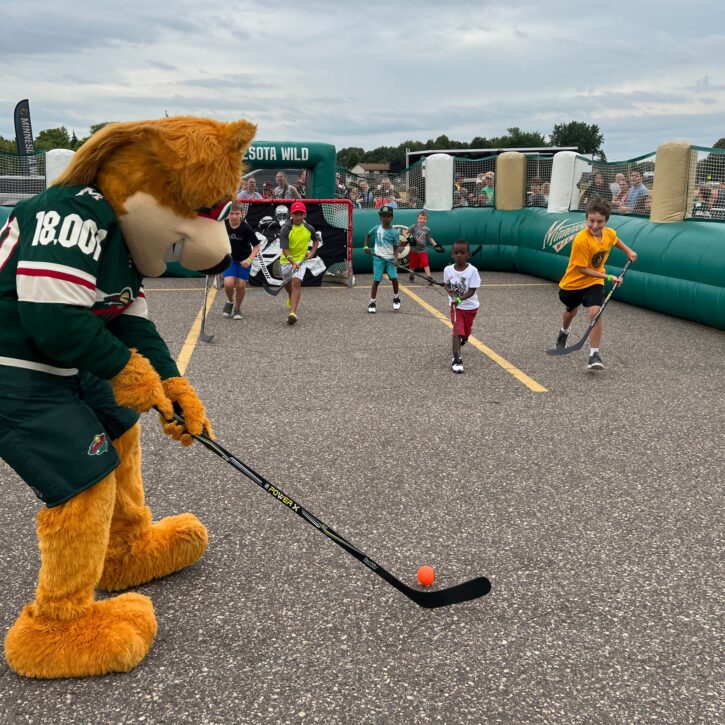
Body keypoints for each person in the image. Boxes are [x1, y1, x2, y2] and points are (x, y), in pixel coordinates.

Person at [555, 198, 638, 371]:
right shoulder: (581, 240)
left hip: (594, 281)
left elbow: (614, 240)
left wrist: (628, 251)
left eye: (599, 222)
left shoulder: (608, 233)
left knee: (595, 312)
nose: (594, 225)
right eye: (591, 221)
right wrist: (608, 277)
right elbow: (583, 269)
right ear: (586, 219)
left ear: (606, 221)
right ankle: (564, 331)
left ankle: (594, 354)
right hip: (573, 284)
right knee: (571, 312)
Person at [279, 200, 320, 325]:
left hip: (301, 261)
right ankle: (290, 297)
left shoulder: (309, 228)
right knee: (288, 285)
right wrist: (292, 262)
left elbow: (316, 240)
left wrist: (312, 252)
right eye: (296, 214)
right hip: (286, 260)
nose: (298, 216)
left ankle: (292, 313)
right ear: (291, 214)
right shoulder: (285, 229)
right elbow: (285, 249)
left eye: (300, 214)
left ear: (305, 215)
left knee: (296, 283)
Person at [443, 239, 481, 374]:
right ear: (452, 254)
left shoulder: (472, 271)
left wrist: (459, 298)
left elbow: (472, 291)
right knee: (456, 331)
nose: (459, 255)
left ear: (468, 254)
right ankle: (456, 359)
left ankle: (464, 338)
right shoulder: (448, 269)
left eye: (462, 252)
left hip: (470, 307)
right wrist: (449, 291)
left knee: (466, 331)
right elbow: (446, 284)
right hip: (456, 307)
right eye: (456, 253)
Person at [221, 202, 260, 320]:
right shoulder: (223, 226)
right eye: (231, 213)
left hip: (244, 260)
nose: (234, 216)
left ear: (241, 214)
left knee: (241, 285)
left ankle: (237, 308)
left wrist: (249, 259)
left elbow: (257, 246)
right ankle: (230, 301)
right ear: (228, 215)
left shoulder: (246, 228)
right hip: (230, 260)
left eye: (237, 213)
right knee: (228, 283)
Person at [363, 205, 401, 314]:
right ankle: (372, 301)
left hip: (390, 259)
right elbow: (368, 235)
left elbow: (396, 247)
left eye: (388, 216)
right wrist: (365, 246)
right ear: (380, 217)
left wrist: (396, 259)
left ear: (391, 218)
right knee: (376, 280)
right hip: (378, 258)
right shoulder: (376, 228)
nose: (385, 218)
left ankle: (396, 297)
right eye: (383, 216)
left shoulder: (395, 232)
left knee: (394, 278)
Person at [406, 211, 440, 283]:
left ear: (426, 220)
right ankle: (411, 275)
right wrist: (409, 238)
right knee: (412, 265)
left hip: (422, 250)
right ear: (417, 219)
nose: (422, 220)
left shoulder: (427, 229)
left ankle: (429, 277)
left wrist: (436, 245)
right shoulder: (414, 226)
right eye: (420, 218)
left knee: (425, 262)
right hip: (413, 249)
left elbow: (430, 238)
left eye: (424, 219)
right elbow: (405, 232)